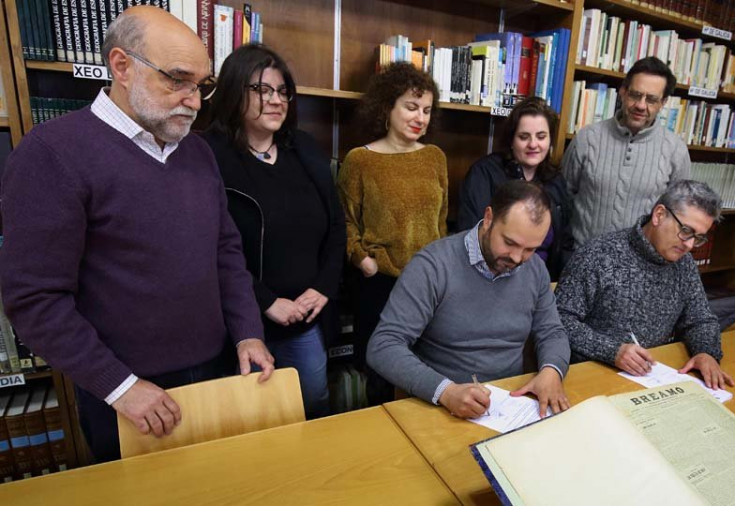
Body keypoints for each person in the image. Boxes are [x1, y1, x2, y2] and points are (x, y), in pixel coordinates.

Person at [0, 6, 274, 463]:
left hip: (219, 369)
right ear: (122, 67)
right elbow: (34, 298)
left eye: (202, 86)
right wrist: (119, 386)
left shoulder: (198, 153)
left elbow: (225, 251)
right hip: (129, 394)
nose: (194, 100)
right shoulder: (51, 154)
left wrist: (248, 331)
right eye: (177, 79)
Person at [202, 44, 345, 419]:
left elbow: (336, 224)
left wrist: (324, 287)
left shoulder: (305, 148)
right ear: (235, 91)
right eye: (262, 90)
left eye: (282, 91)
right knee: (246, 419)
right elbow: (209, 246)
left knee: (310, 407)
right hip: (238, 321)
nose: (276, 100)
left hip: (304, 319)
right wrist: (265, 300)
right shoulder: (206, 155)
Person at [367, 181, 571, 419]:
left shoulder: (534, 269)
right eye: (509, 243)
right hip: (439, 405)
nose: (517, 258)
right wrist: (445, 391)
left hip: (508, 404)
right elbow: (383, 345)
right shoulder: (433, 266)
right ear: (488, 218)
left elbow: (552, 332)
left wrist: (551, 371)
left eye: (530, 249)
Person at [337, 61, 448, 406]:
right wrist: (362, 260)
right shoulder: (360, 160)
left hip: (428, 283)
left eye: (427, 110)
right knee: (382, 378)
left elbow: (441, 221)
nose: (421, 117)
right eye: (411, 107)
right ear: (388, 107)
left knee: (425, 372)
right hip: (379, 283)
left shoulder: (435, 157)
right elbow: (344, 221)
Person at [555, 180, 734, 390]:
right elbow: (558, 320)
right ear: (659, 215)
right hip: (593, 375)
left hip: (654, 376)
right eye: (686, 230)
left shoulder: (683, 264)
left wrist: (706, 352)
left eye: (699, 238)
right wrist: (612, 351)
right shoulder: (599, 254)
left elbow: (700, 318)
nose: (690, 245)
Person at [561, 56, 690, 247]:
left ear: (663, 103)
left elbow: (678, 214)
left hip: (641, 265)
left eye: (651, 99)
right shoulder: (587, 138)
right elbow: (563, 197)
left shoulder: (675, 150)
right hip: (583, 258)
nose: (641, 105)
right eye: (635, 95)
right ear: (622, 92)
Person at [457, 96, 573, 280]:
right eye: (524, 137)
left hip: (540, 281)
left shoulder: (557, 181)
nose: (533, 144)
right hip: (489, 278)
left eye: (541, 136)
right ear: (511, 140)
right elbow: (469, 233)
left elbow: (564, 243)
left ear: (550, 140)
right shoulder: (484, 173)